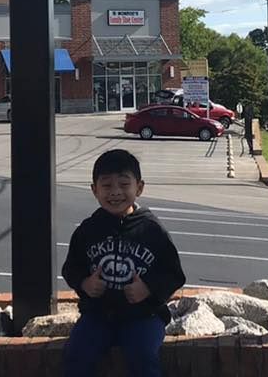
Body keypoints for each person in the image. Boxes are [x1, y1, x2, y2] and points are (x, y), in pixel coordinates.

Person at [61, 149, 186, 377]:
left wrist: (148, 288)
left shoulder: (152, 230)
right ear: (94, 190)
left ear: (139, 187)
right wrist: (85, 283)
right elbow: (71, 267)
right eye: (107, 185)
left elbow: (174, 274)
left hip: (143, 316)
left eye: (123, 184)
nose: (115, 192)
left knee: (143, 357)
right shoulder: (87, 230)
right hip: (97, 314)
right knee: (76, 355)